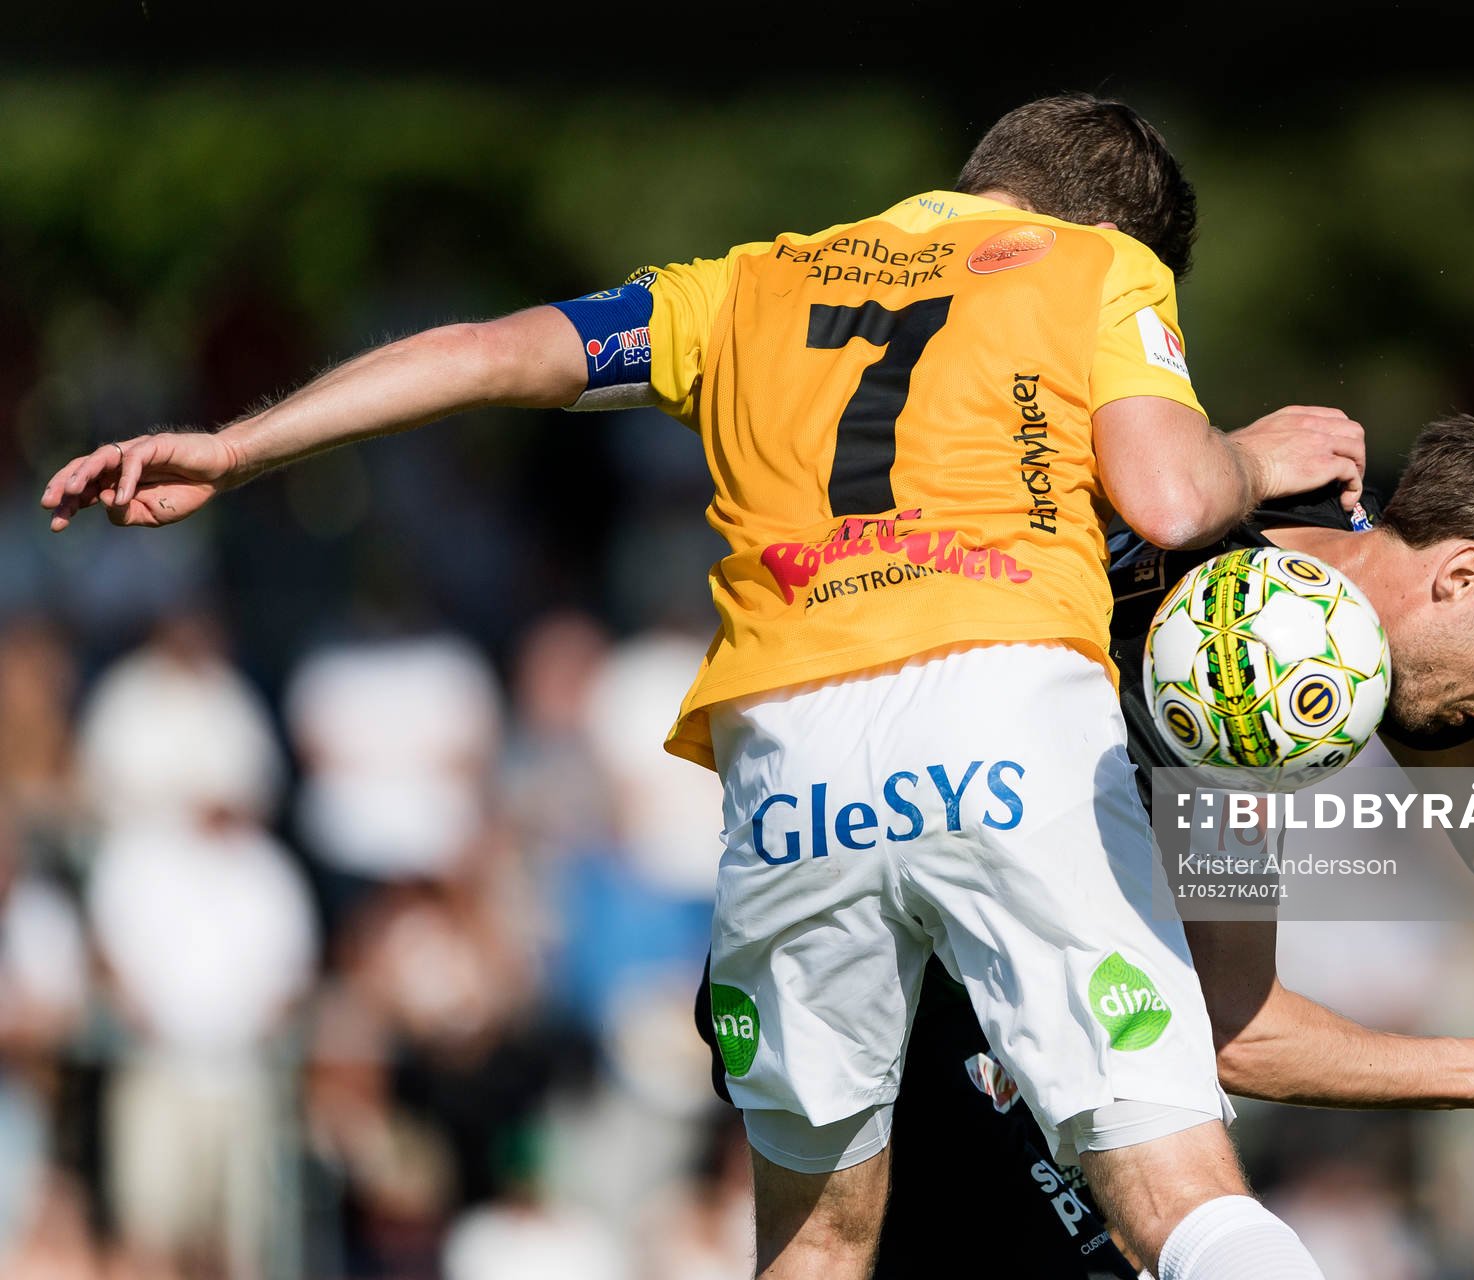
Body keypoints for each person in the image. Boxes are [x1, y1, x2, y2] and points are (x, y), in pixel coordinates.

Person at [40, 94, 1377, 1279]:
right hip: (1002, 698)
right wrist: (1254, 458)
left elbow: (492, 352)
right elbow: (1169, 491)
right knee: (1174, 1195)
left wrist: (238, 446)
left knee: (814, 1239)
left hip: (785, 760)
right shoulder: (1099, 265)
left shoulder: (745, 284)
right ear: (1115, 223)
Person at [700, 411, 1474, 1275]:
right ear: (1463, 573)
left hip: (841, 909)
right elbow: (1229, 1028)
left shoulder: (1310, 560)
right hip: (920, 994)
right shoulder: (1264, 658)